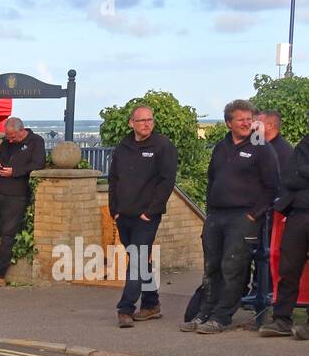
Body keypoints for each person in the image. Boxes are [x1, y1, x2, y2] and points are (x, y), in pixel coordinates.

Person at [181, 99, 280, 334]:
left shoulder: (261, 147)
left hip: (243, 217)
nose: (246, 123)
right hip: (216, 215)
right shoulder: (221, 146)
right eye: (241, 119)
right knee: (211, 267)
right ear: (228, 123)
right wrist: (210, 212)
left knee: (232, 267)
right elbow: (212, 180)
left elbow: (272, 186)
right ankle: (204, 313)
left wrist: (253, 216)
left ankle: (222, 316)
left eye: (249, 119)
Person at [108, 104, 178, 327]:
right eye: (141, 120)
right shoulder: (123, 147)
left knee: (137, 260)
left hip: (146, 216)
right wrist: (115, 211)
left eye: (150, 120)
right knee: (139, 260)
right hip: (124, 215)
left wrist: (151, 212)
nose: (146, 123)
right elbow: (114, 179)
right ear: (132, 123)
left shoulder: (162, 146)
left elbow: (167, 181)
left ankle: (125, 308)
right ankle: (151, 303)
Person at [0, 117, 46, 288]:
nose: (10, 140)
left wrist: (15, 172)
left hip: (18, 193)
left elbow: (39, 164)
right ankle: (3, 231)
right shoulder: (5, 142)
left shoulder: (36, 141)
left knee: (8, 235)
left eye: (13, 137)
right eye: (8, 136)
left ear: (22, 130)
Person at [261, 123, 309, 338]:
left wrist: (303, 173)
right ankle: (281, 319)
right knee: (288, 269)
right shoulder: (304, 144)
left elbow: (298, 174)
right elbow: (289, 177)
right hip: (298, 214)